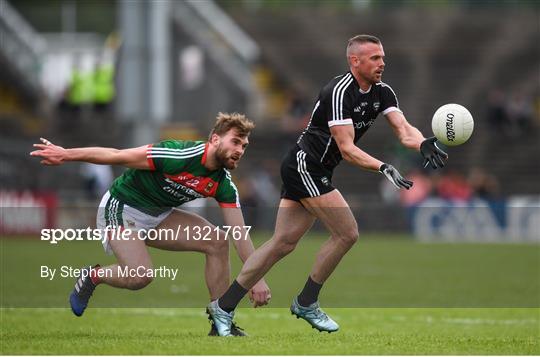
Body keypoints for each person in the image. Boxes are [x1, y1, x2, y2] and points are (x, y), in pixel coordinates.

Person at [207, 35, 448, 336]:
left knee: (282, 244)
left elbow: (403, 128)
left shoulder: (383, 92)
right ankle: (307, 301)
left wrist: (422, 141)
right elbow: (346, 148)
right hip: (305, 166)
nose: (382, 63)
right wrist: (382, 166)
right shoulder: (338, 92)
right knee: (347, 233)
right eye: (374, 58)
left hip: (313, 169)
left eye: (382, 57)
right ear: (354, 61)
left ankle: (223, 308)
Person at [30, 112, 271, 336]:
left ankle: (221, 322)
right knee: (140, 276)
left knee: (218, 241)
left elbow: (239, 234)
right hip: (122, 208)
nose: (240, 150)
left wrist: (256, 277)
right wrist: (65, 154)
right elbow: (116, 155)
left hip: (159, 215)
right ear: (215, 139)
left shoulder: (224, 184)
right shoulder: (175, 154)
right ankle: (94, 276)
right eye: (235, 141)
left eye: (244, 146)